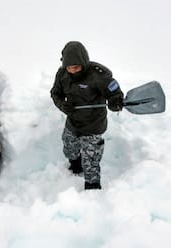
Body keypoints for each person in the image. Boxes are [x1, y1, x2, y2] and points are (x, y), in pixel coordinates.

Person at [50, 41, 124, 190]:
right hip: (73, 122)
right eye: (69, 67)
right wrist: (63, 106)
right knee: (69, 149)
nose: (72, 71)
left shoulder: (99, 75)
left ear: (83, 62)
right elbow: (55, 93)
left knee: (91, 160)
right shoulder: (62, 74)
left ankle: (92, 188)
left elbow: (115, 94)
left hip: (93, 125)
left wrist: (115, 102)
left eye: (76, 67)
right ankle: (75, 167)